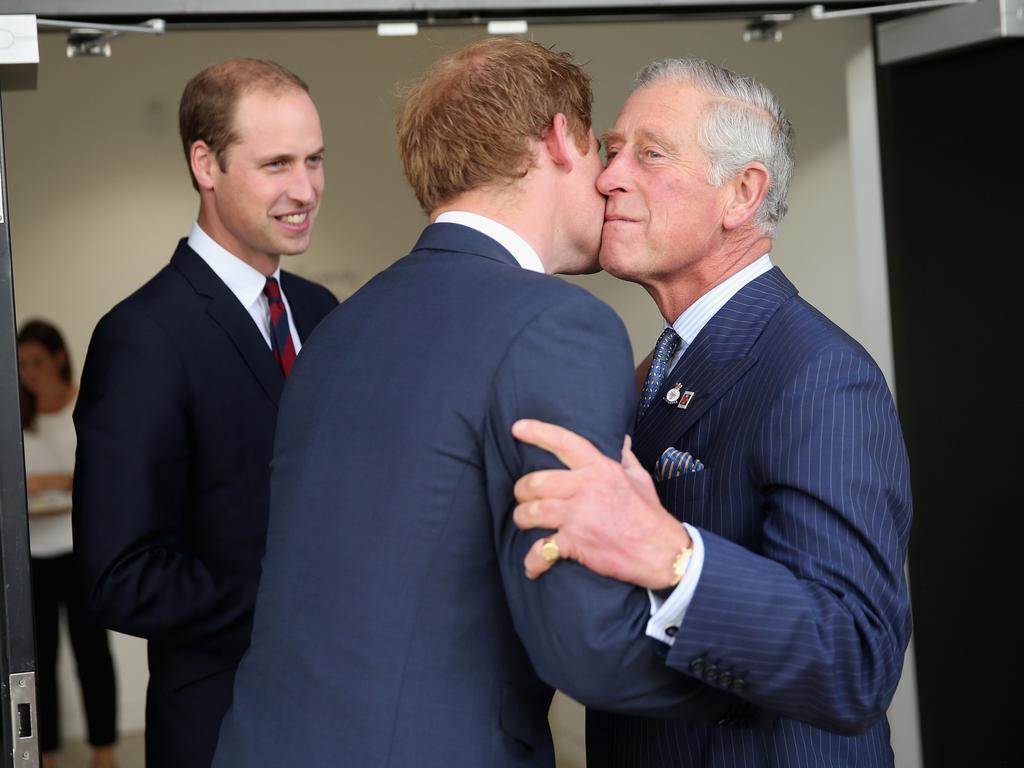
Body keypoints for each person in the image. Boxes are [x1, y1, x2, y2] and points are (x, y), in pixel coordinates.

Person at [213, 39, 736, 768]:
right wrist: (765, 671)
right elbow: (586, 645)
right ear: (559, 138)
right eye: (601, 151)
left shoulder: (338, 330)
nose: (612, 181)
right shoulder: (559, 323)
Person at [511, 58, 913, 766]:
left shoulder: (819, 376)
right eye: (610, 151)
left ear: (741, 194)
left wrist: (671, 555)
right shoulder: (654, 367)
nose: (608, 178)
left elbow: (855, 658)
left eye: (650, 154)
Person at [72, 58, 337, 768]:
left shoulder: (322, 312)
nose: (305, 189)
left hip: (343, 716)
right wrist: (295, 603)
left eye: (314, 160)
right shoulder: (143, 337)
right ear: (205, 163)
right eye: (277, 164)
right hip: (221, 731)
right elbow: (118, 576)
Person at [18, 319, 118, 768]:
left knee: (92, 655)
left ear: (59, 357)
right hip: (32, 557)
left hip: (82, 551)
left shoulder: (87, 404)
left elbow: (107, 475)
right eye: (21, 365)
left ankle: (104, 751)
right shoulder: (16, 415)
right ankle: (48, 755)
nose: (29, 373)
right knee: (39, 663)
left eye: (37, 362)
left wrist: (57, 480)